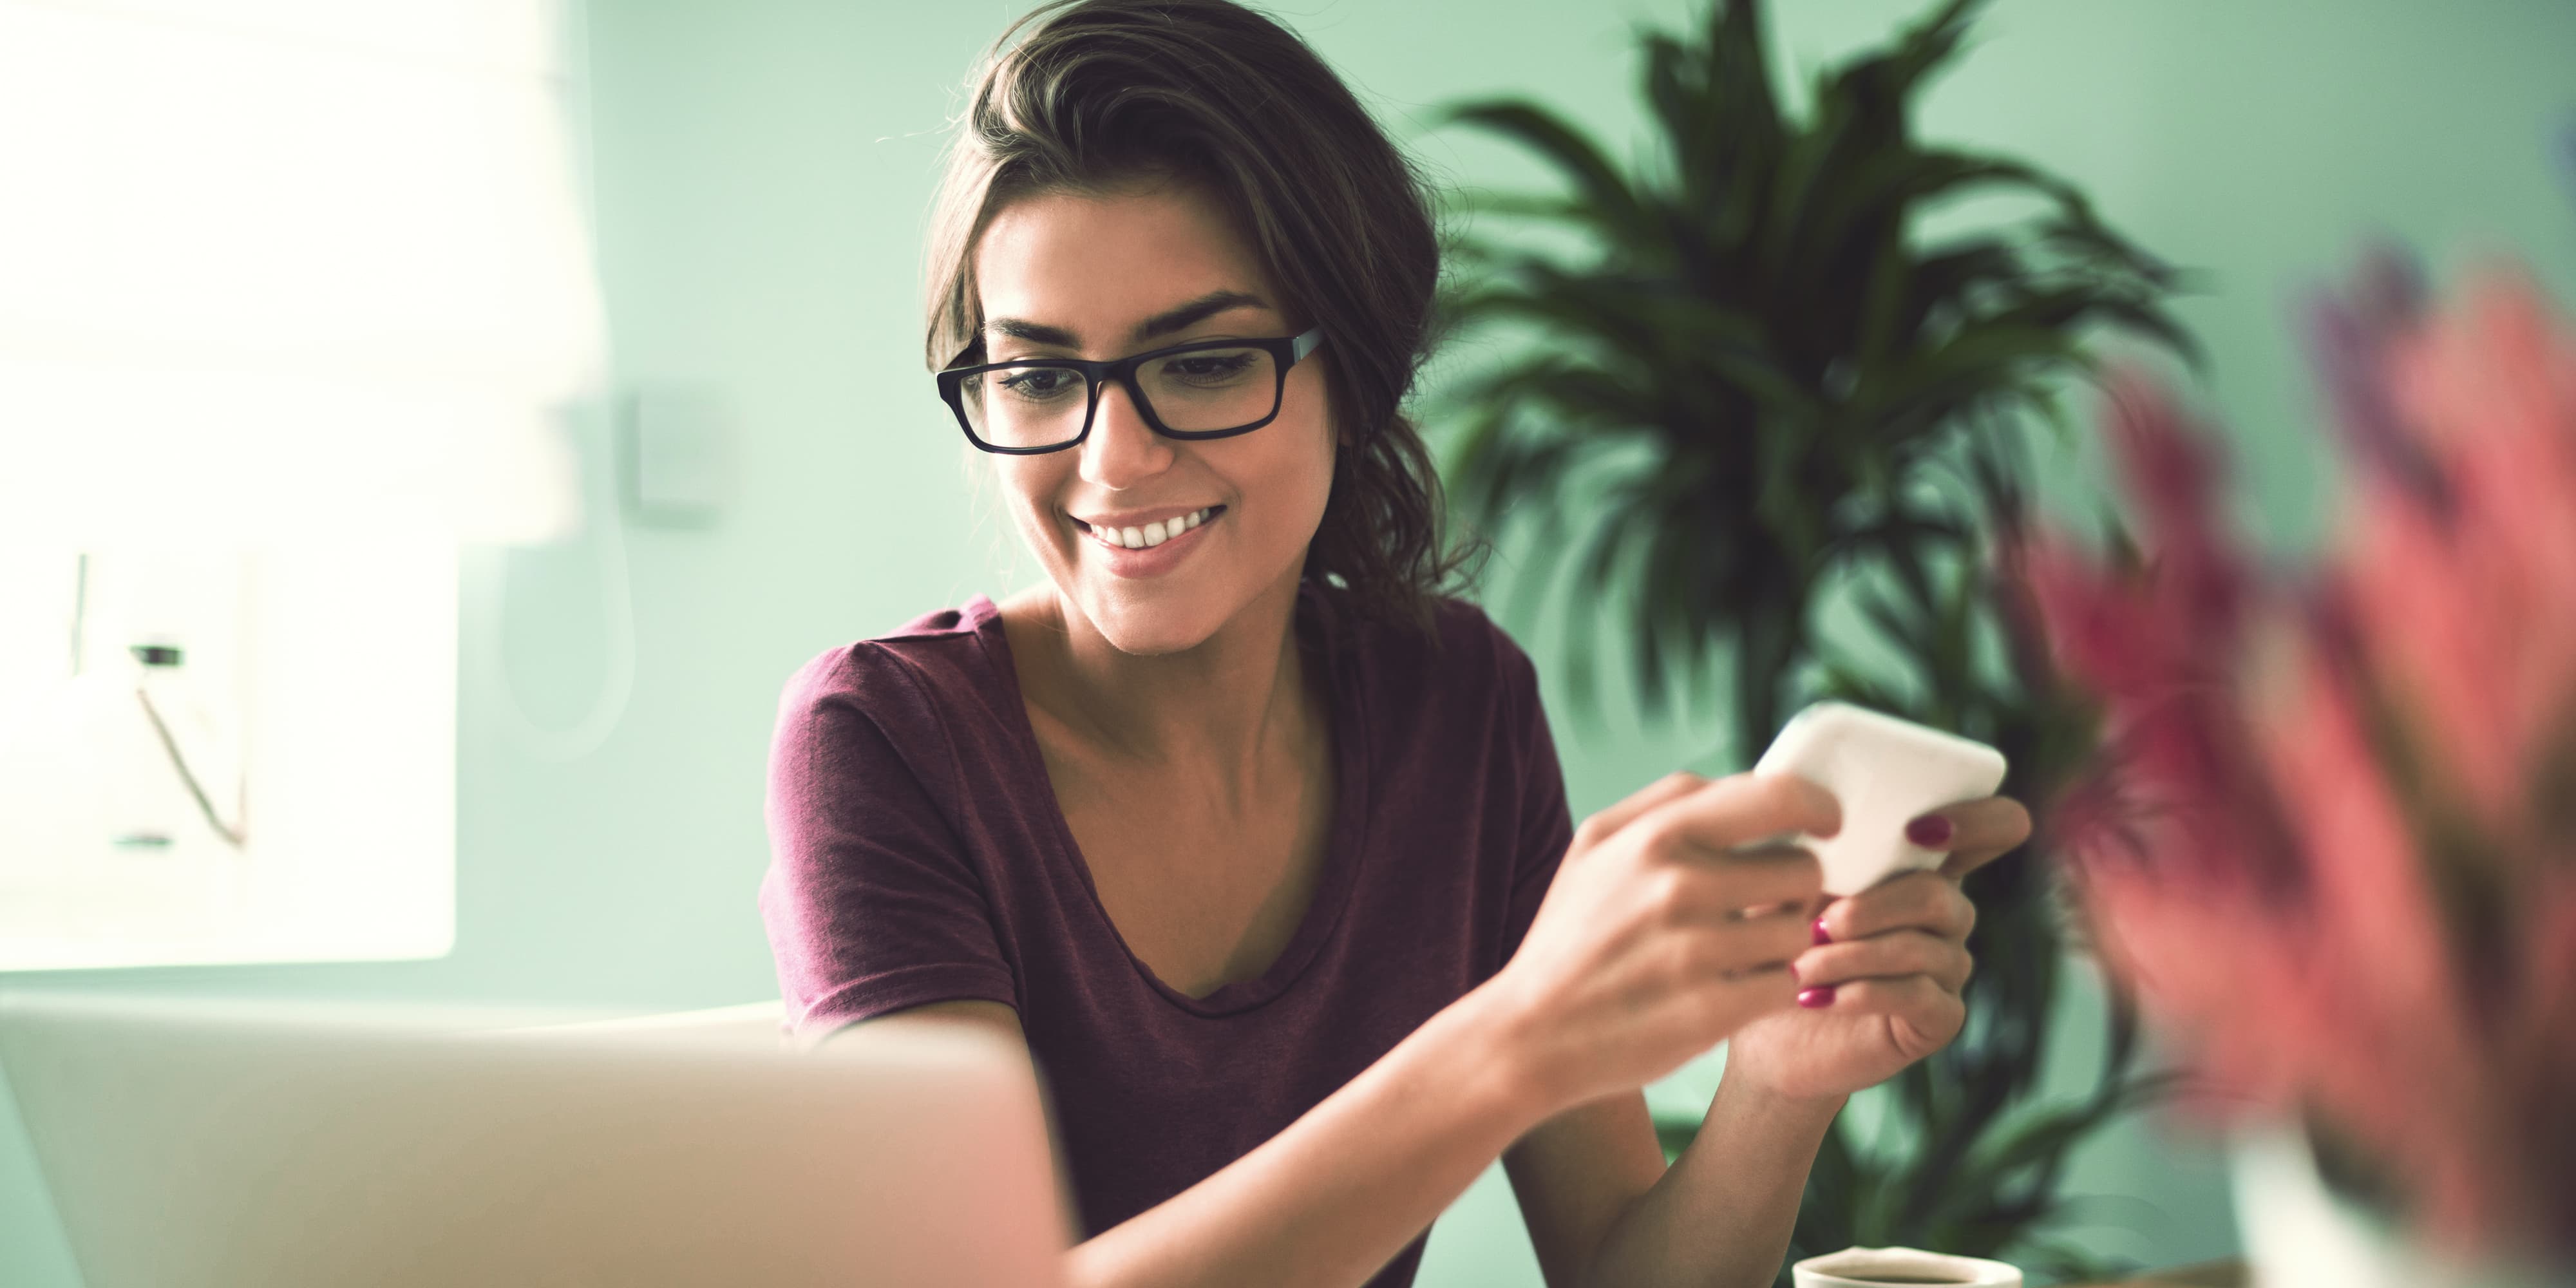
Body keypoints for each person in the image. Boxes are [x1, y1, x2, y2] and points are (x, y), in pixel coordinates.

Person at [757, 2, 2032, 1285]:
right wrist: (1518, 1036)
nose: (1111, 459)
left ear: (1352, 374)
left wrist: (1775, 1082)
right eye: (1035, 377)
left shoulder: (1457, 709)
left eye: (1198, 363)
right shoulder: (884, 744)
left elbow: (1623, 1273)